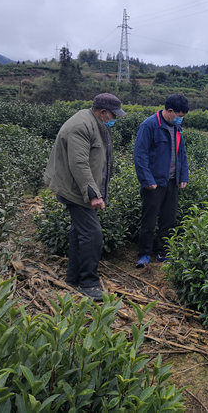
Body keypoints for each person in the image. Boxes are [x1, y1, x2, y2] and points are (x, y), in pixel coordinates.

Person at [44, 93, 126, 300]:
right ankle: (88, 283)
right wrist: (93, 194)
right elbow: (79, 164)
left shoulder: (94, 122)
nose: (114, 119)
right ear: (103, 112)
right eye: (113, 115)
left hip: (79, 187)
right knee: (92, 233)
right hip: (75, 189)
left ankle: (73, 277)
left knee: (79, 231)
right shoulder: (81, 126)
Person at [134, 93, 189, 268]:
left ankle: (163, 253)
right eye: (179, 116)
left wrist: (183, 176)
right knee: (149, 219)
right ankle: (144, 254)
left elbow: (182, 154)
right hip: (154, 183)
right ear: (170, 111)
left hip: (172, 181)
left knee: (169, 220)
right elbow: (140, 155)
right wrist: (147, 180)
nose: (180, 120)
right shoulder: (149, 126)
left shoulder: (176, 128)